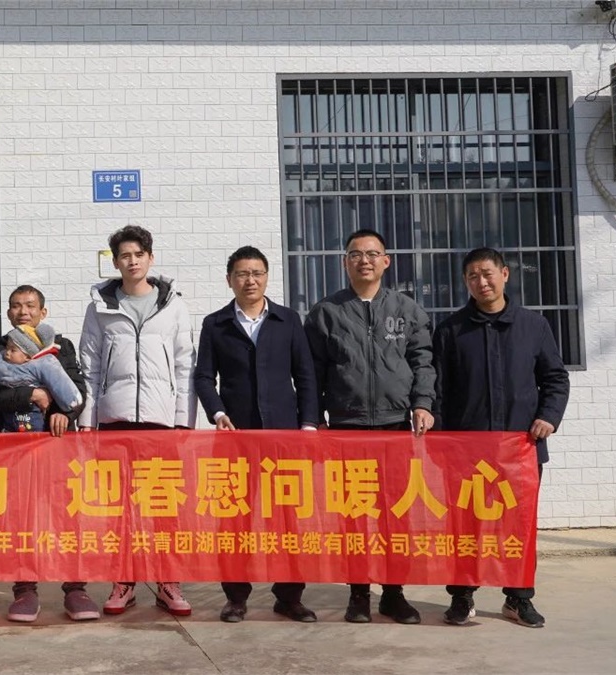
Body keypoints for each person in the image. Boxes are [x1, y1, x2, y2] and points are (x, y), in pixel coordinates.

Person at [303, 228, 435, 625]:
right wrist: (315, 419)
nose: (365, 260)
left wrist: (423, 403)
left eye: (372, 254)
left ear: (386, 261)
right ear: (345, 262)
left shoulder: (406, 310)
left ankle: (394, 594)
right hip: (348, 427)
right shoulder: (326, 312)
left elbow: (423, 362)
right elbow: (312, 373)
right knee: (354, 515)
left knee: (397, 514)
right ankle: (358, 594)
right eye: (356, 254)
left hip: (396, 428)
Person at [433, 247, 570, 628]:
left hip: (520, 451)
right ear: (465, 282)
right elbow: (439, 390)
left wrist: (548, 417)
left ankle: (518, 598)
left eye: (487, 273)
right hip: (465, 452)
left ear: (505, 274)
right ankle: (462, 596)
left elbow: (555, 378)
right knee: (465, 526)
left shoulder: (533, 326)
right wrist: (440, 444)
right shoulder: (451, 330)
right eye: (473, 276)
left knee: (518, 525)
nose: (482, 282)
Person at [194, 246, 320, 624]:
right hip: (236, 437)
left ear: (266, 277)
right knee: (235, 519)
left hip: (284, 437)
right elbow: (204, 377)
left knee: (288, 519)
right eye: (242, 274)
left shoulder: (287, 320)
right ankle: (236, 597)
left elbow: (306, 375)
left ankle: (289, 596)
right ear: (229, 279)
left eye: (257, 273)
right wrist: (218, 412)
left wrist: (308, 424)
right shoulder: (216, 324)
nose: (250, 280)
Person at [77, 225, 196, 617]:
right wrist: (89, 420)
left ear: (150, 258)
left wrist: (183, 422)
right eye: (125, 256)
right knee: (120, 508)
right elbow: (90, 366)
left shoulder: (173, 306)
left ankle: (168, 581)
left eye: (138, 254)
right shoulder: (100, 307)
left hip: (162, 422)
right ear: (115, 262)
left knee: (164, 506)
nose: (132, 261)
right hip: (116, 420)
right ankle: (123, 582)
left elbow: (185, 365)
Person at [0, 285, 100, 623]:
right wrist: (32, 394)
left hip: (58, 449)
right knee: (21, 519)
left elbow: (77, 389)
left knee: (67, 517)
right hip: (14, 452)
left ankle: (75, 588)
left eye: (30, 306)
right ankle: (25, 589)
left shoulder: (62, 347)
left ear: (43, 312)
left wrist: (64, 413)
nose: (23, 312)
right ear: (8, 313)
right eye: (16, 306)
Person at [0, 323, 82, 432]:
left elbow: (58, 381)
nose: (7, 352)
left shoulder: (41, 363)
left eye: (13, 350)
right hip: (8, 412)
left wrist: (69, 402)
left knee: (33, 435)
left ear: (28, 357)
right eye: (7, 347)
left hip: (32, 413)